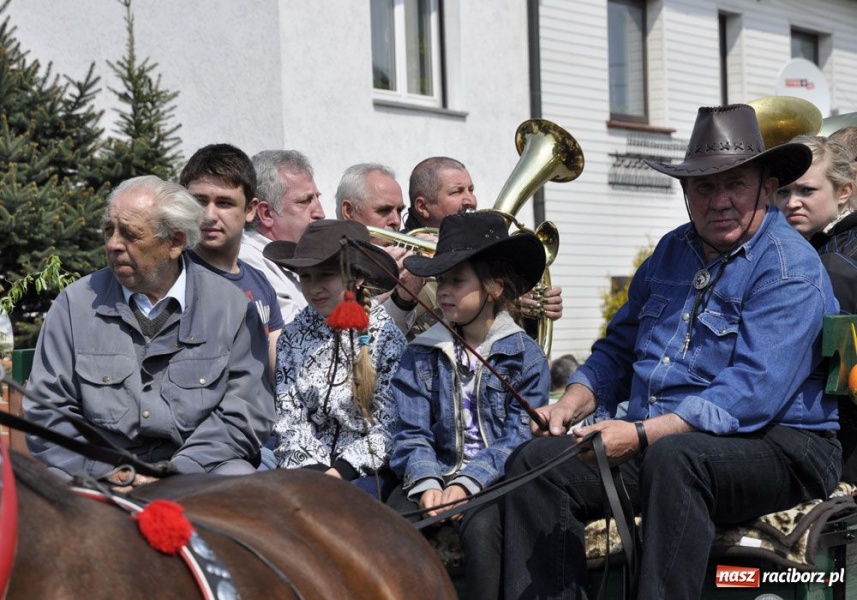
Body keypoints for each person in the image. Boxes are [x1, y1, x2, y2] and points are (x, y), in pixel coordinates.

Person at [490, 104, 841, 599]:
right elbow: (617, 347)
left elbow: (751, 393)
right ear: (685, 193)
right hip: (670, 440)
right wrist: (572, 400)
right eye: (704, 186)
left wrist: (639, 432)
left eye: (736, 184)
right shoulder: (671, 250)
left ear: (766, 187)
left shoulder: (789, 267)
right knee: (535, 462)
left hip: (784, 444)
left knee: (676, 459)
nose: (720, 200)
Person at [25, 175, 275, 488]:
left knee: (241, 487)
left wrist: (177, 471)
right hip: (100, 471)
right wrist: (107, 469)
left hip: (200, 470)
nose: (114, 244)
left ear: (175, 242)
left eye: (130, 234)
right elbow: (46, 410)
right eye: (109, 230)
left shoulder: (230, 308)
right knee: (50, 499)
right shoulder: (75, 305)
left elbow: (245, 413)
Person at [387, 211, 551, 600]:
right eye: (440, 279)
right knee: (389, 526)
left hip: (494, 479)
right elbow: (410, 432)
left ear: (494, 288)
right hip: (431, 472)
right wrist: (427, 483)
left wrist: (467, 482)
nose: (443, 291)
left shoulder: (525, 356)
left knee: (482, 530)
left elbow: (517, 439)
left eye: (456, 280)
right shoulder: (421, 352)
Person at [263, 220, 408, 500]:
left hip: (369, 472)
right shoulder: (293, 336)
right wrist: (315, 470)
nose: (314, 288)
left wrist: (340, 472)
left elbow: (391, 425)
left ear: (358, 277)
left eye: (325, 275)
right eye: (306, 277)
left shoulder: (386, 336)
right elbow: (289, 416)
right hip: (305, 469)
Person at [776, 134, 857, 483]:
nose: (792, 202)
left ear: (844, 192)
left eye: (806, 191)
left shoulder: (833, 270)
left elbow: (847, 379)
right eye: (783, 191)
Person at [179, 143, 284, 381]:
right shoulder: (172, 278)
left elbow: (278, 368)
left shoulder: (260, 282)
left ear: (250, 210)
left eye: (224, 203)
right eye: (199, 201)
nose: (209, 215)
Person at [336, 162, 428, 332]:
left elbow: (388, 335)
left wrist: (403, 299)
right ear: (348, 211)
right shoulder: (330, 265)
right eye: (384, 210)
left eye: (399, 210)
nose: (396, 220)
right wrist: (383, 280)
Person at [240, 150, 325, 323]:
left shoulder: (295, 254)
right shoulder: (250, 262)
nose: (320, 213)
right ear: (266, 214)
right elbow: (295, 340)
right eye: (305, 201)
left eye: (317, 198)